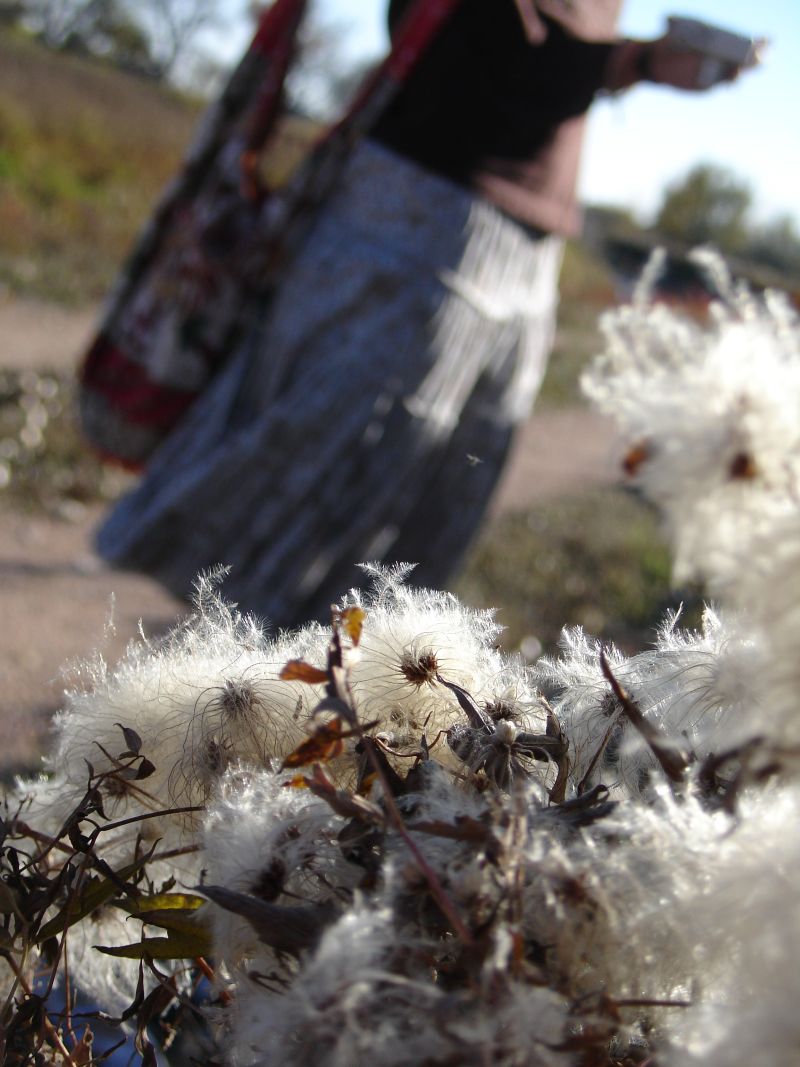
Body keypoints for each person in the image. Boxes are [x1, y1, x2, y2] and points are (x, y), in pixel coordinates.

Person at [95, 0, 754, 629]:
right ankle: (233, 698)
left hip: (524, 244)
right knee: (332, 478)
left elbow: (551, 67)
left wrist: (637, 66)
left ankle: (319, 705)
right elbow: (499, 51)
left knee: (427, 499)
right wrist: (639, 61)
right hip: (421, 220)